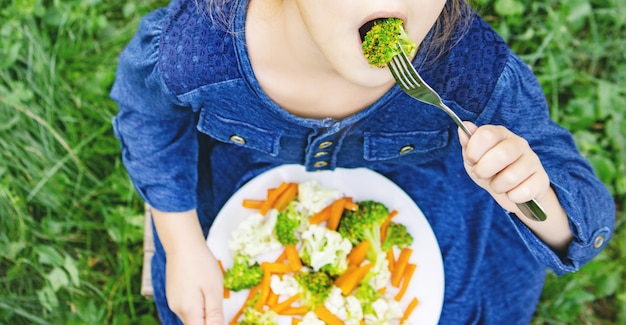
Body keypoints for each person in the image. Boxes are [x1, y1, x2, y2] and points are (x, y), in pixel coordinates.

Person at [110, 0, 615, 324]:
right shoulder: (195, 52)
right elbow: (147, 119)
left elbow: (584, 222)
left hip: (438, 213)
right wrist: (180, 243)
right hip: (244, 193)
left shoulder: (470, 74)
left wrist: (533, 193)